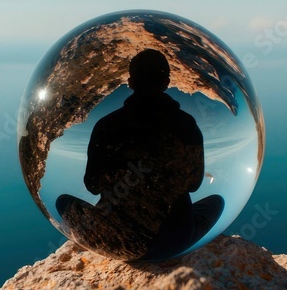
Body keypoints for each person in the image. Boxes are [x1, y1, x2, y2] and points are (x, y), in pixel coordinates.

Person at [56, 49, 224, 261]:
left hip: (115, 239)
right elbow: (193, 184)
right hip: (172, 239)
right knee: (216, 202)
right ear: (166, 82)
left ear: (131, 82)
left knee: (63, 201)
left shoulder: (107, 125)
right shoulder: (186, 124)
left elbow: (92, 185)